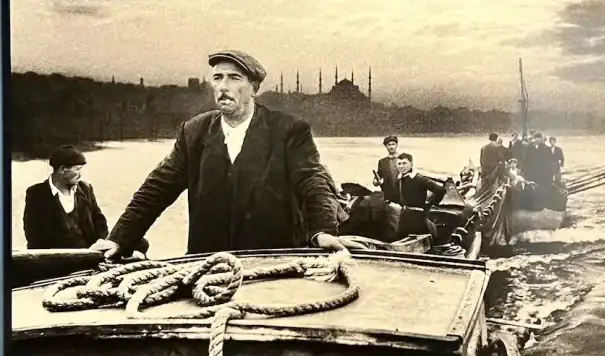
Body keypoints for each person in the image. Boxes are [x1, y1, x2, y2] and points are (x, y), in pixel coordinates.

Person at [91, 49, 344, 260]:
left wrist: (322, 231)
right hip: (207, 265)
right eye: (217, 78)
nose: (223, 86)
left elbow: (313, 181)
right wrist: (119, 239)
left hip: (274, 264)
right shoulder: (194, 131)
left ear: (254, 88)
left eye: (234, 78)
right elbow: (157, 189)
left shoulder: (289, 130)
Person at [23, 145, 148, 253]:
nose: (81, 175)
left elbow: (99, 222)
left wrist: (101, 242)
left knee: (141, 243)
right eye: (77, 170)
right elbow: (32, 235)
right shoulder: (36, 194)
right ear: (62, 170)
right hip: (56, 258)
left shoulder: (85, 189)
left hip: (89, 253)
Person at [395, 153, 447, 239]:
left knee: (420, 241)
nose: (401, 166)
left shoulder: (420, 179)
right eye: (399, 164)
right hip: (403, 218)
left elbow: (441, 190)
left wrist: (430, 204)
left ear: (411, 164)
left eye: (404, 163)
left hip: (417, 218)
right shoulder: (400, 179)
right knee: (398, 240)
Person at [374, 135, 400, 203]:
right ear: (386, 146)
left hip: (403, 194)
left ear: (396, 145)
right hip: (388, 195)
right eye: (389, 145)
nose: (391, 147)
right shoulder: (382, 162)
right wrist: (376, 182)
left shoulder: (403, 159)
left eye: (393, 144)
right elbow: (377, 178)